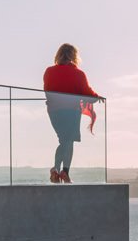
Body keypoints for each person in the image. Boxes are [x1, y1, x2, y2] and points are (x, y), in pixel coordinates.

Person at [42, 43, 103, 183]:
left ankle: (56, 170)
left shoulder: (49, 71)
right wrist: (96, 96)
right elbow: (88, 93)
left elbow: (47, 91)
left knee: (64, 140)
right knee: (68, 141)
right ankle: (64, 172)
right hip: (71, 111)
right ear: (75, 56)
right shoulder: (78, 74)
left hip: (54, 112)